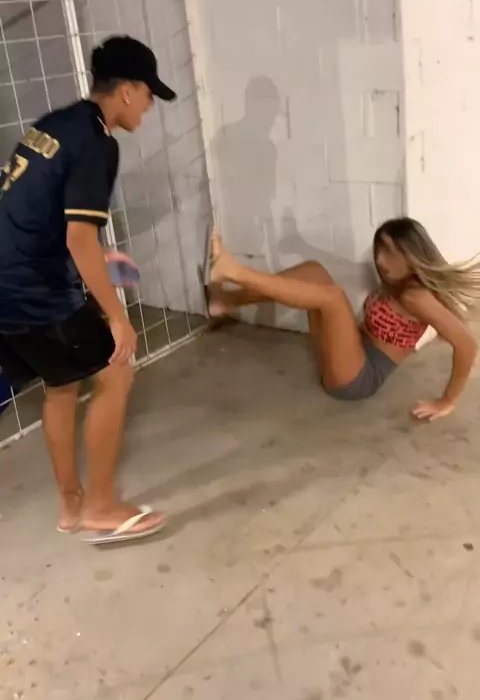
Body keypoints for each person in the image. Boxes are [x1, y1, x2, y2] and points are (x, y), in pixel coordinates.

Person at [0, 35, 176, 544]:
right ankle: (100, 508)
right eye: (148, 95)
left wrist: (96, 262)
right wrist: (117, 316)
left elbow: (34, 212)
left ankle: (71, 503)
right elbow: (79, 238)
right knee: (116, 371)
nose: (148, 106)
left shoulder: (56, 124)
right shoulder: (98, 143)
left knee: (62, 383)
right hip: (33, 289)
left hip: (7, 281)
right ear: (127, 90)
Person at [204, 219, 480, 420]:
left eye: (391, 253)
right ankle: (227, 301)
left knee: (332, 297)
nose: (381, 260)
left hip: (357, 380)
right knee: (314, 271)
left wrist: (447, 401)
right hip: (349, 353)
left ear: (412, 256)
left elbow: (467, 345)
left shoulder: (415, 296)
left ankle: (235, 272)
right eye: (379, 250)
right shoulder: (401, 283)